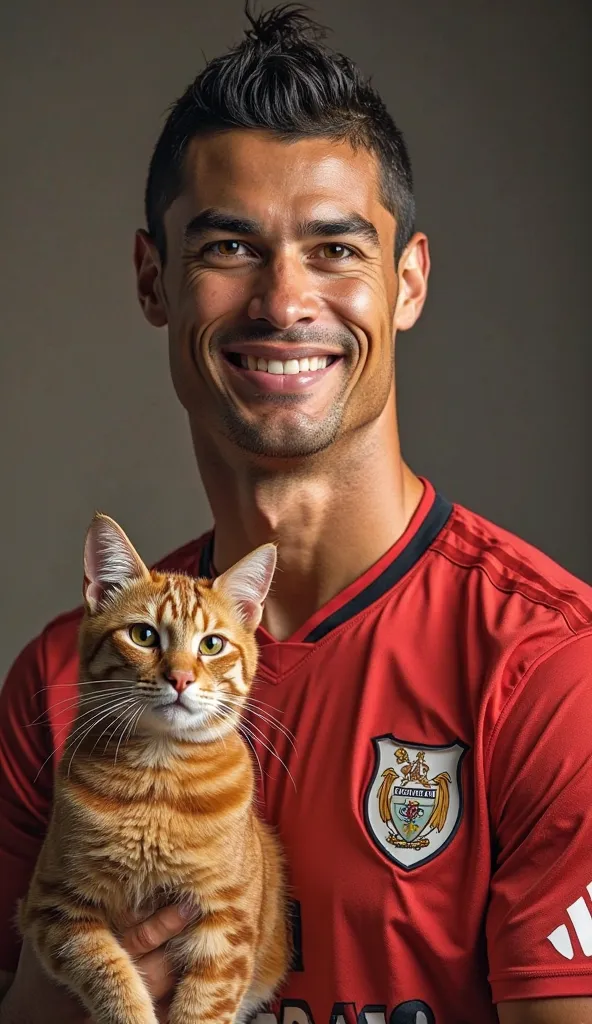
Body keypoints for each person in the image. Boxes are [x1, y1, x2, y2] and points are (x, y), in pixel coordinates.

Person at [1, 6, 591, 1024]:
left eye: (333, 250)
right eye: (230, 247)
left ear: (405, 282)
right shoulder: (57, 685)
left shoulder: (548, 672)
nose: (283, 302)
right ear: (155, 280)